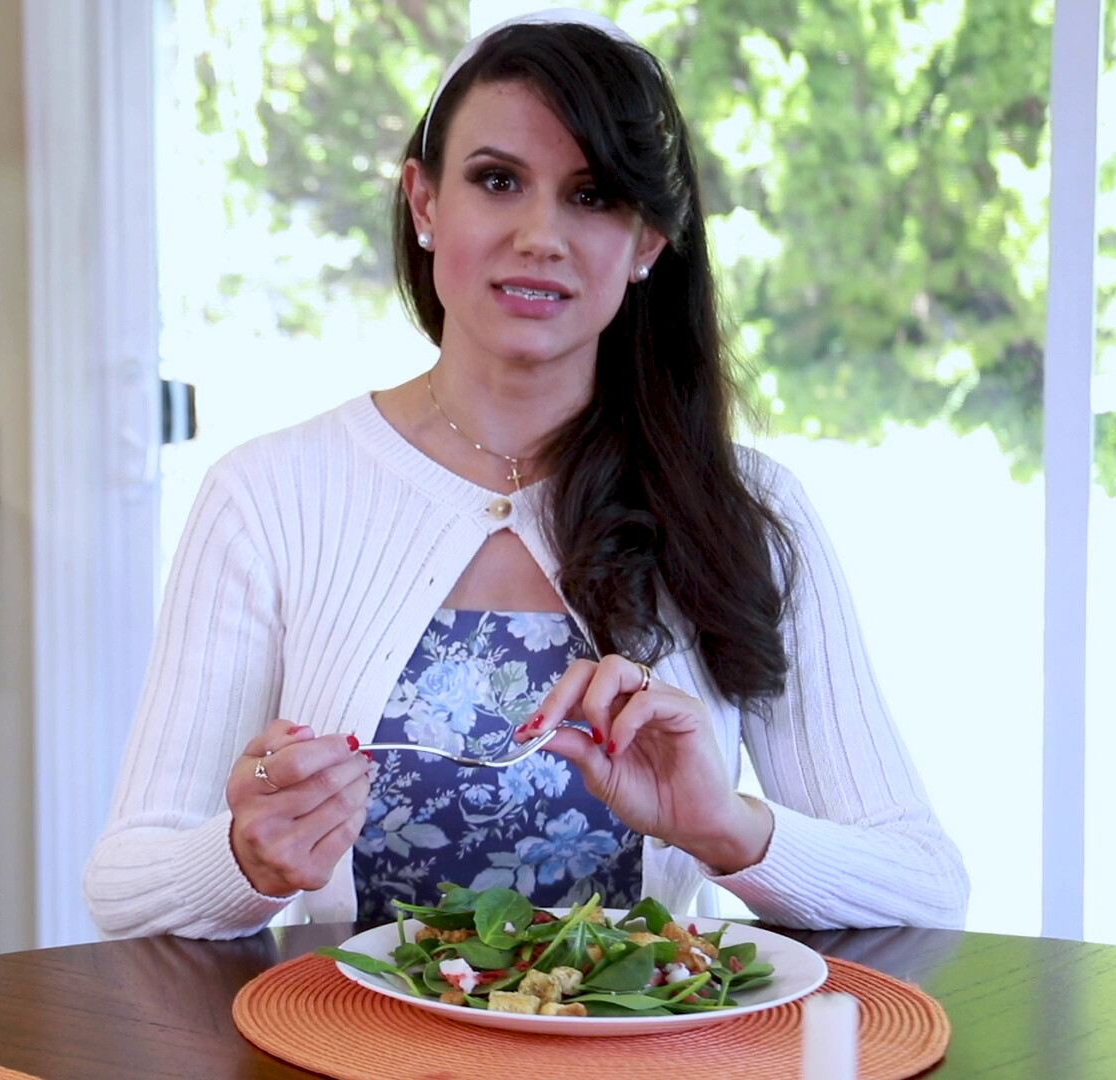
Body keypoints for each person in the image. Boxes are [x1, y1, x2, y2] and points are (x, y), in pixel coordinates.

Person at [84, 8, 969, 939]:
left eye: (592, 195)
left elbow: (926, 881)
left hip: (645, 1029)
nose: (541, 234)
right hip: (339, 1025)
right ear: (425, 203)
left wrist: (727, 829)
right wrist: (244, 858)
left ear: (647, 243)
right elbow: (124, 881)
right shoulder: (266, 499)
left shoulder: (747, 510)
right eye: (498, 181)